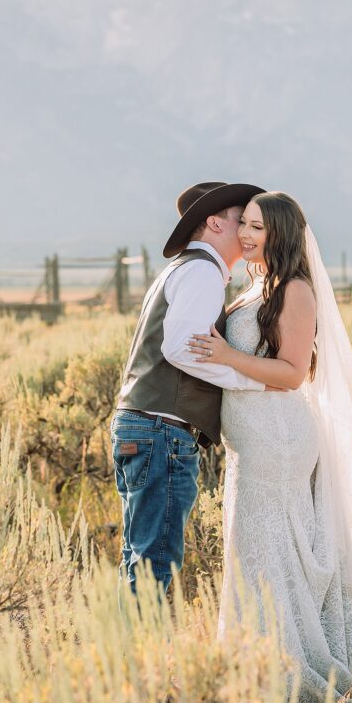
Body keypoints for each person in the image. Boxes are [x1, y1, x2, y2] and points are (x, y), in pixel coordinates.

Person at [188, 191, 352, 703]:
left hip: (278, 441)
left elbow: (293, 372)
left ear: (280, 232)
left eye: (258, 227)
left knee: (267, 554)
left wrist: (227, 354)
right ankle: (254, 668)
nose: (247, 235)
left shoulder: (295, 291)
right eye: (245, 225)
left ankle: (284, 673)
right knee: (254, 554)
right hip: (250, 443)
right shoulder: (256, 284)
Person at [110, 180, 265, 594]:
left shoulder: (182, 269)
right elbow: (181, 348)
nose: (248, 231)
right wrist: (248, 379)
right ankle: (143, 656)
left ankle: (132, 653)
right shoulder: (201, 272)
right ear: (215, 223)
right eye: (241, 221)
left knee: (140, 559)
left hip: (143, 426)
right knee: (154, 563)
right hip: (161, 431)